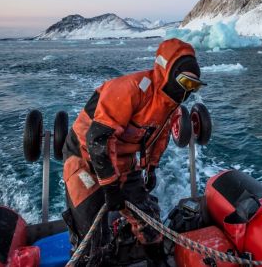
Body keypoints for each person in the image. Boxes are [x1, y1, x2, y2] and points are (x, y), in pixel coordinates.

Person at [61, 38, 205, 263]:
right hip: (85, 156)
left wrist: (151, 168)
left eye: (193, 87)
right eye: (186, 82)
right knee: (93, 238)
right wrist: (110, 186)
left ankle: (157, 261)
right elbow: (97, 138)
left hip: (122, 158)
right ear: (168, 72)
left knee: (149, 223)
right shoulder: (128, 89)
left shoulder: (170, 106)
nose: (187, 92)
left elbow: (159, 138)